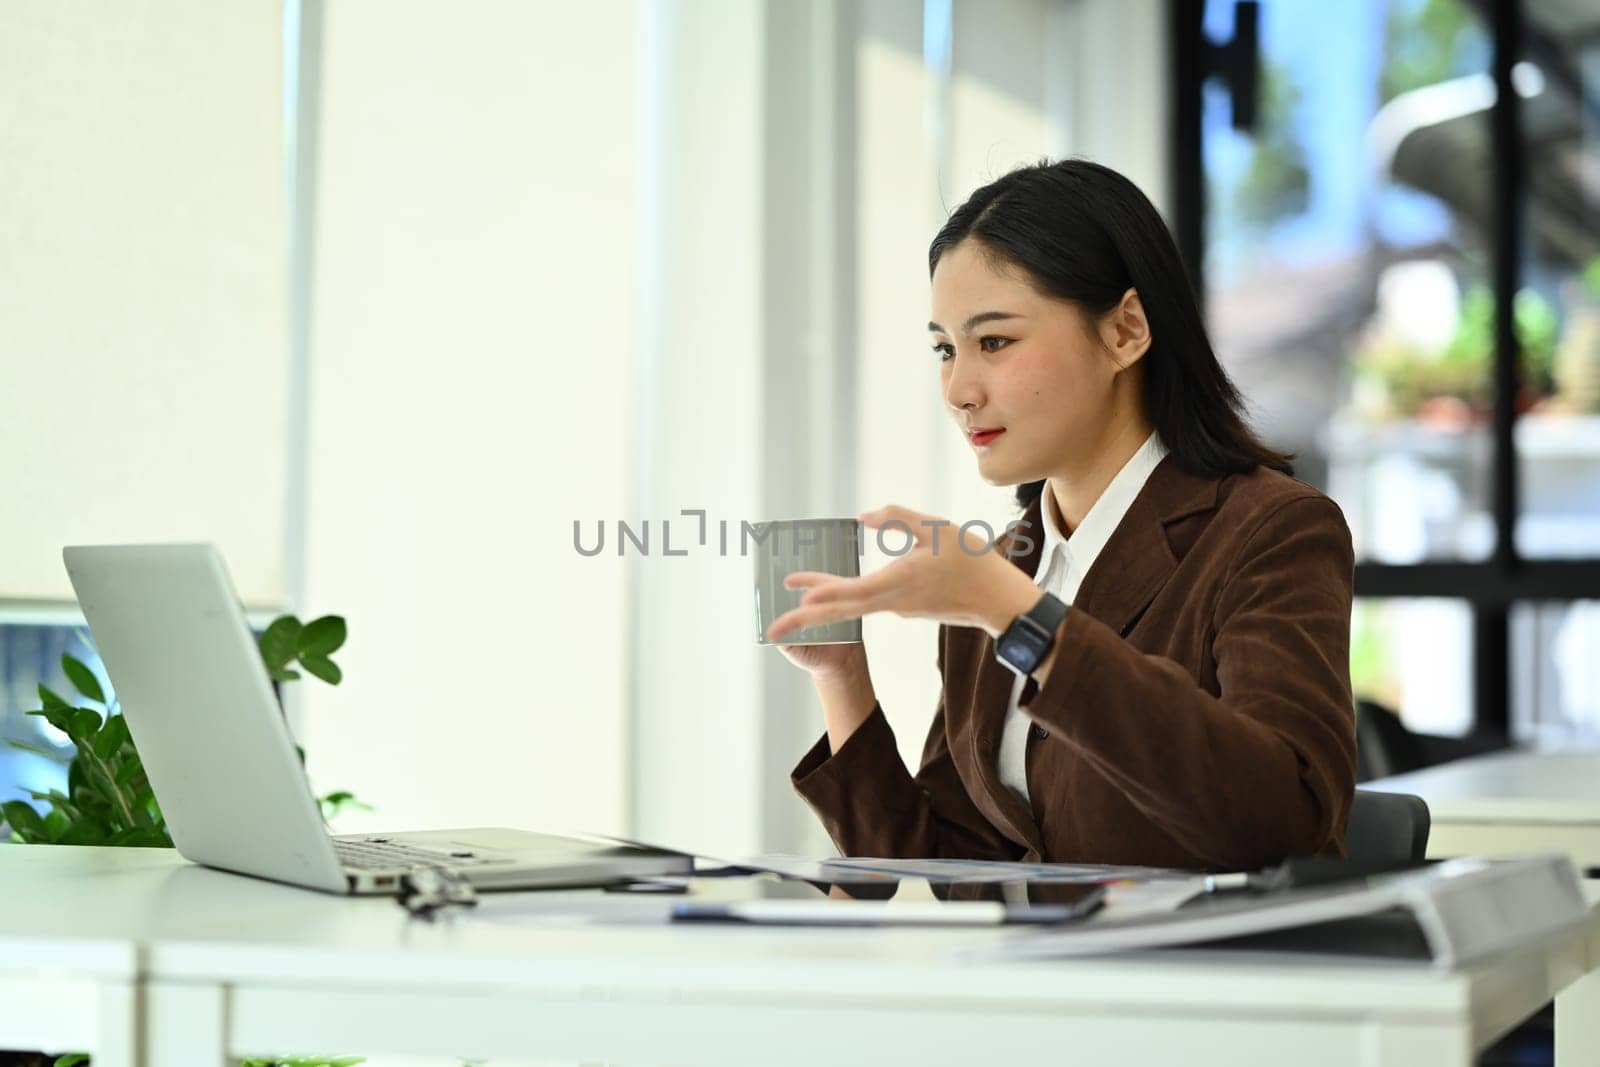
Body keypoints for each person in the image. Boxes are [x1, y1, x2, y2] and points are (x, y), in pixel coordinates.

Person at [764, 158, 1356, 873]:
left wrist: (1021, 618)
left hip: (1196, 978)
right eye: (944, 349)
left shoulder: (1269, 532)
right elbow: (947, 866)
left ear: (1125, 331)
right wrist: (841, 675)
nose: (957, 388)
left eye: (994, 342)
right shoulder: (1000, 572)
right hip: (1030, 983)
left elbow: (1286, 823)